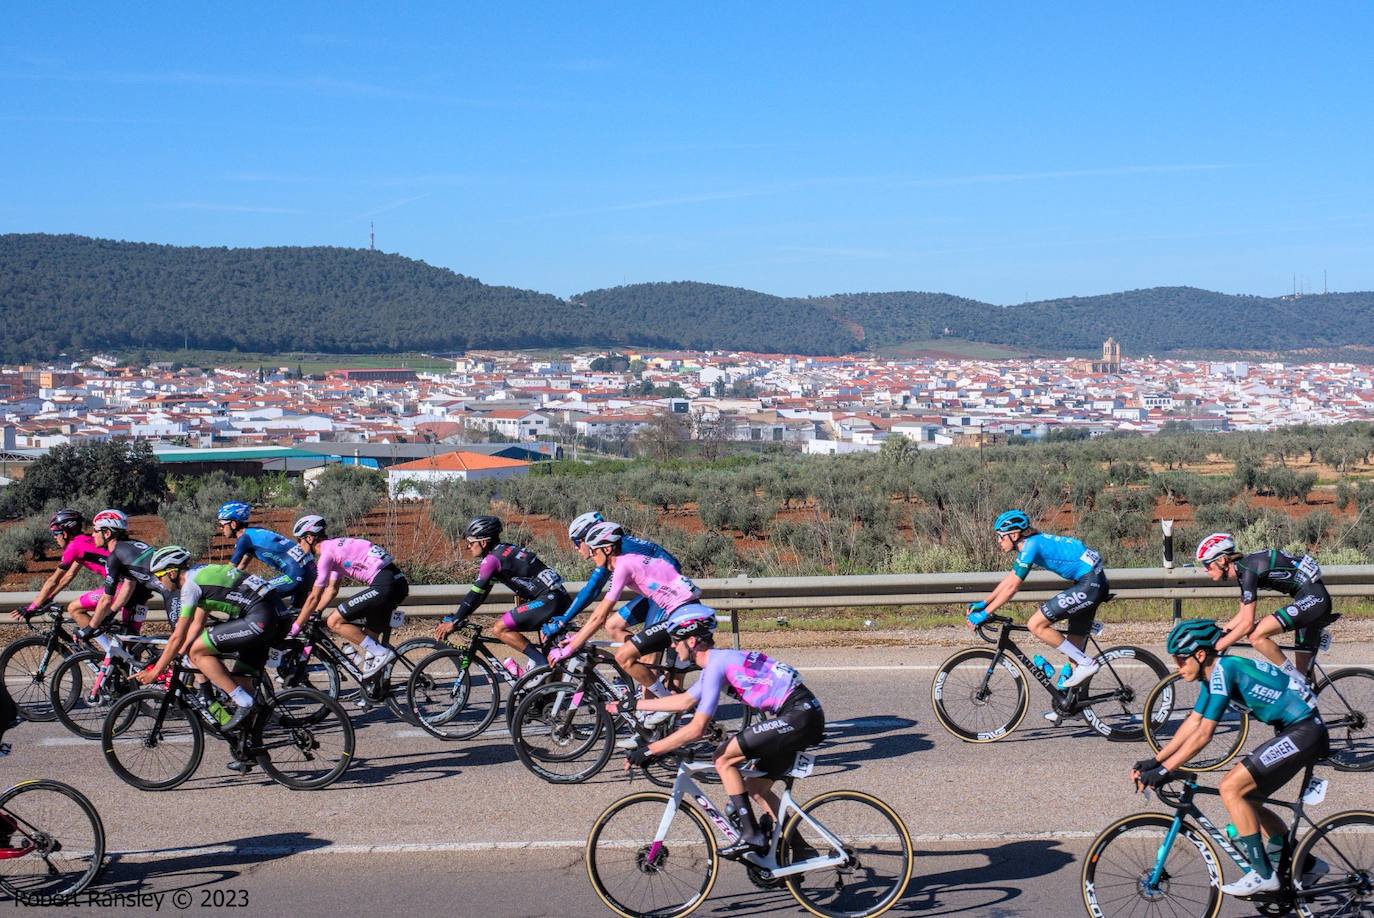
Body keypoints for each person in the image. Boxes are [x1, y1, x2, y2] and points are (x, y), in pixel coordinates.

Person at [1135, 619, 1329, 897]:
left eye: (1180, 659)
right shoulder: (1213, 674)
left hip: (1305, 731)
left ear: (1200, 655)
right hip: (1298, 730)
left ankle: (1263, 875)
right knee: (1247, 799)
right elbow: (1194, 722)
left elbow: (1204, 735)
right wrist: (1156, 761)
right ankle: (1307, 864)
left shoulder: (1225, 671)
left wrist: (1165, 770)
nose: (1178, 666)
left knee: (1230, 787)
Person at [610, 618, 824, 858]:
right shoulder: (717, 662)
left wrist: (651, 749)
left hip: (797, 716)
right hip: (802, 714)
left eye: (676, 642)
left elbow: (697, 728)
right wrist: (633, 704)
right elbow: (685, 701)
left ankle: (751, 835)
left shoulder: (716, 665)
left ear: (691, 641)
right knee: (756, 787)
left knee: (722, 758)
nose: (672, 647)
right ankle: (802, 849)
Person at [551, 521, 715, 701]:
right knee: (621, 638)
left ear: (607, 550)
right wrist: (577, 638)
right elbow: (601, 615)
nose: (592, 556)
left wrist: (569, 649)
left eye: (594, 551)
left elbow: (599, 616)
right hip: (681, 608)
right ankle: (663, 698)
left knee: (628, 658)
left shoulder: (623, 566)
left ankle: (668, 702)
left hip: (681, 613)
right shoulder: (624, 563)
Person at [136, 546, 290, 734]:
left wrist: (156, 671)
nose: (159, 582)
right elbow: (197, 624)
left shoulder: (190, 586)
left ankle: (242, 701)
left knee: (197, 651)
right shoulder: (202, 573)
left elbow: (178, 635)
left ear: (172, 572)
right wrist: (180, 652)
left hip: (260, 618)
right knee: (242, 680)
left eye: (159, 576)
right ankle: (248, 745)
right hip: (277, 617)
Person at [967, 510, 1108, 700]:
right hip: (1089, 580)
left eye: (1001, 536)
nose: (998, 541)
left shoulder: (1031, 545)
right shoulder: (1031, 544)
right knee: (1074, 653)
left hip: (1089, 583)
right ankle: (1067, 706)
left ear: (1014, 535)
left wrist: (984, 614)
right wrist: (984, 603)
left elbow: (1012, 589)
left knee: (1035, 624)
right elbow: (1010, 579)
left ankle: (1087, 664)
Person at [433, 516, 570, 672]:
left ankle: (541, 665)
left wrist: (455, 621)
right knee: (553, 659)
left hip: (548, 600)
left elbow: (475, 594)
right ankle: (549, 685)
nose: (468, 547)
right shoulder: (505, 549)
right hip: (557, 597)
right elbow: (481, 595)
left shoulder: (492, 560)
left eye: (471, 542)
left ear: (483, 542)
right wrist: (459, 617)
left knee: (500, 628)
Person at [1199, 533, 1332, 684]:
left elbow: (1247, 624)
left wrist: (1218, 646)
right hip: (1310, 599)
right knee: (1304, 670)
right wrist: (1223, 632)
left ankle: (1297, 682)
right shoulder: (1244, 568)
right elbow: (1243, 614)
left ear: (1222, 560)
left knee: (1255, 635)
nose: (1205, 570)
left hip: (1315, 600)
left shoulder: (1247, 571)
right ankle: (1308, 696)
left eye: (1206, 564)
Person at [288, 515, 407, 677]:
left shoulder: (325, 556)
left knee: (334, 621)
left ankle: (382, 653)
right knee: (370, 636)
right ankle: (373, 691)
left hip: (385, 584)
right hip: (398, 583)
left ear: (309, 538)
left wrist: (296, 626)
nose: (298, 545)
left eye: (299, 540)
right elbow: (332, 589)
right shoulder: (335, 546)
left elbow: (314, 596)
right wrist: (316, 612)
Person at [557, 511, 686, 647]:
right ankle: (640, 658)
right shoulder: (614, 547)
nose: (576, 548)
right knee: (613, 626)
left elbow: (592, 590)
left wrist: (563, 621)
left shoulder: (617, 551)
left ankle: (649, 661)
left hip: (668, 596)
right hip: (654, 594)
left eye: (577, 542)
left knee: (650, 656)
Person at [10, 509, 110, 631]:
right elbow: (69, 576)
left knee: (74, 608)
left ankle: (108, 648)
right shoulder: (87, 541)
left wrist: (32, 607)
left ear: (65, 533)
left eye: (56, 533)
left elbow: (53, 580)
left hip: (119, 586)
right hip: (130, 583)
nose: (55, 538)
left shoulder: (74, 547)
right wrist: (50, 597)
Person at [216, 501, 318, 612]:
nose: (221, 529)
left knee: (256, 595)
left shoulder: (244, 539)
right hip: (309, 571)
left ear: (233, 524)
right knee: (296, 617)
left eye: (221, 525)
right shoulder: (255, 532)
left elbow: (229, 569)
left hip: (296, 575)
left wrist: (214, 588)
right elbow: (241, 566)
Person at [83, 509, 156, 644]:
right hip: (141, 596)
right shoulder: (130, 545)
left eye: (95, 530)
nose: (92, 535)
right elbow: (129, 583)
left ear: (107, 533)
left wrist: (90, 628)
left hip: (148, 596)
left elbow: (106, 599)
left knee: (183, 647)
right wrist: (111, 613)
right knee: (130, 645)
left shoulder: (115, 555)